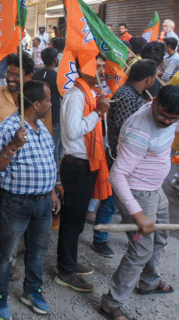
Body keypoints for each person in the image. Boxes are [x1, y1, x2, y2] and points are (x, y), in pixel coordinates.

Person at [99, 85, 179, 320]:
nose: (166, 122)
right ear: (154, 102)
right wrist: (137, 213)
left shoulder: (171, 117)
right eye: (163, 115)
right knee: (140, 250)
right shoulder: (139, 130)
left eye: (173, 119)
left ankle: (148, 281)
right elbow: (117, 175)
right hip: (137, 193)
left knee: (160, 238)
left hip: (155, 190)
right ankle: (111, 304)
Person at [0, 81, 61, 320]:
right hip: (15, 204)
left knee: (38, 252)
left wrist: (51, 191)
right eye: (48, 100)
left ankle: (32, 292)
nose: (51, 104)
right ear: (37, 104)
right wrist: (13, 146)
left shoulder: (42, 128)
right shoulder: (7, 128)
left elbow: (49, 162)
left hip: (42, 204)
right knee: (6, 254)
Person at [91, 59, 156, 259]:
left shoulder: (135, 95)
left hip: (130, 160)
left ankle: (132, 240)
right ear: (149, 79)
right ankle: (99, 239)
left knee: (123, 203)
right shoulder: (127, 97)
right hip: (122, 159)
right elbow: (125, 132)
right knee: (111, 202)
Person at [55, 55, 110, 292]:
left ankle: (69, 261)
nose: (101, 71)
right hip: (76, 165)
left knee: (76, 221)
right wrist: (98, 112)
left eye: (102, 67)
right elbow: (75, 130)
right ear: (83, 68)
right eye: (96, 66)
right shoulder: (76, 95)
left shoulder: (88, 93)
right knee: (72, 220)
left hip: (86, 164)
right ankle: (65, 270)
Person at [32, 48, 63, 163]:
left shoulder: (36, 75)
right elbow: (63, 96)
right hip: (54, 117)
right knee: (53, 147)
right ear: (55, 60)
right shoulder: (58, 77)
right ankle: (55, 175)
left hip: (37, 117)